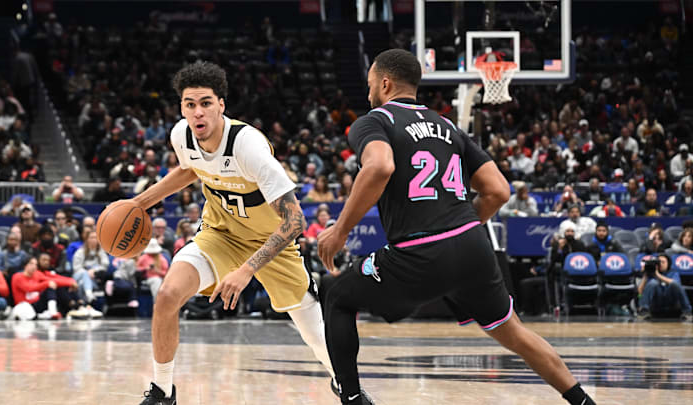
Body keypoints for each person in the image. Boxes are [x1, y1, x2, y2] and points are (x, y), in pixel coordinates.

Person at [316, 49, 596, 405]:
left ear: (384, 84)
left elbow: (380, 167)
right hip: (472, 246)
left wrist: (340, 230)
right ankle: (584, 402)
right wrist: (458, 231)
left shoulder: (375, 120)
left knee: (337, 296)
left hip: (419, 253)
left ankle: (352, 398)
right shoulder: (447, 127)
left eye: (371, 83)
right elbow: (498, 190)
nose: (368, 90)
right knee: (515, 333)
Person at [126, 61, 333, 404]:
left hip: (272, 245)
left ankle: (347, 388)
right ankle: (163, 391)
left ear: (221, 104)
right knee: (166, 296)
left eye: (205, 103)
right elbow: (189, 169)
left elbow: (295, 221)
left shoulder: (247, 145)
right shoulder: (181, 135)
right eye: (189, 104)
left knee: (317, 338)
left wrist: (246, 270)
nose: (197, 112)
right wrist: (138, 203)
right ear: (182, 108)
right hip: (220, 234)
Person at [637, 254, 692, 322]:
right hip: (656, 302)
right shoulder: (651, 273)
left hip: (671, 300)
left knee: (674, 284)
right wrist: (645, 275)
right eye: (659, 262)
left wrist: (657, 275)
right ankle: (644, 310)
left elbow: (675, 283)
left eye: (663, 262)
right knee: (653, 283)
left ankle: (687, 311)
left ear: (668, 263)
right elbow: (639, 292)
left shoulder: (673, 272)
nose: (661, 264)